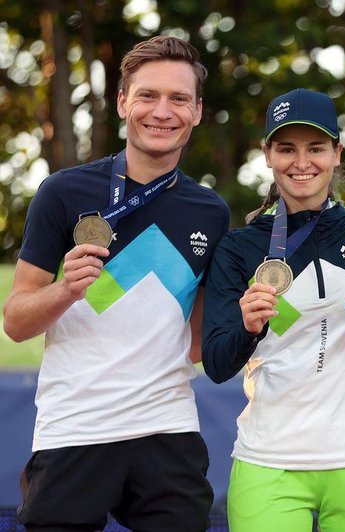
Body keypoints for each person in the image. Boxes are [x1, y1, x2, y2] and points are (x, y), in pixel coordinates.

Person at [2, 36, 230, 531]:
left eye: (178, 99)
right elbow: (16, 323)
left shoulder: (211, 212)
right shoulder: (63, 192)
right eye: (148, 95)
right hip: (74, 428)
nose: (162, 111)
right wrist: (65, 290)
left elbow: (196, 339)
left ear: (196, 112)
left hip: (168, 429)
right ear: (124, 101)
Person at [202, 88, 345, 531]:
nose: (302, 162)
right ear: (267, 155)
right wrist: (248, 325)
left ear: (337, 153)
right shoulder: (239, 248)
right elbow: (216, 363)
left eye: (316, 148)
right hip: (268, 460)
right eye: (286, 149)